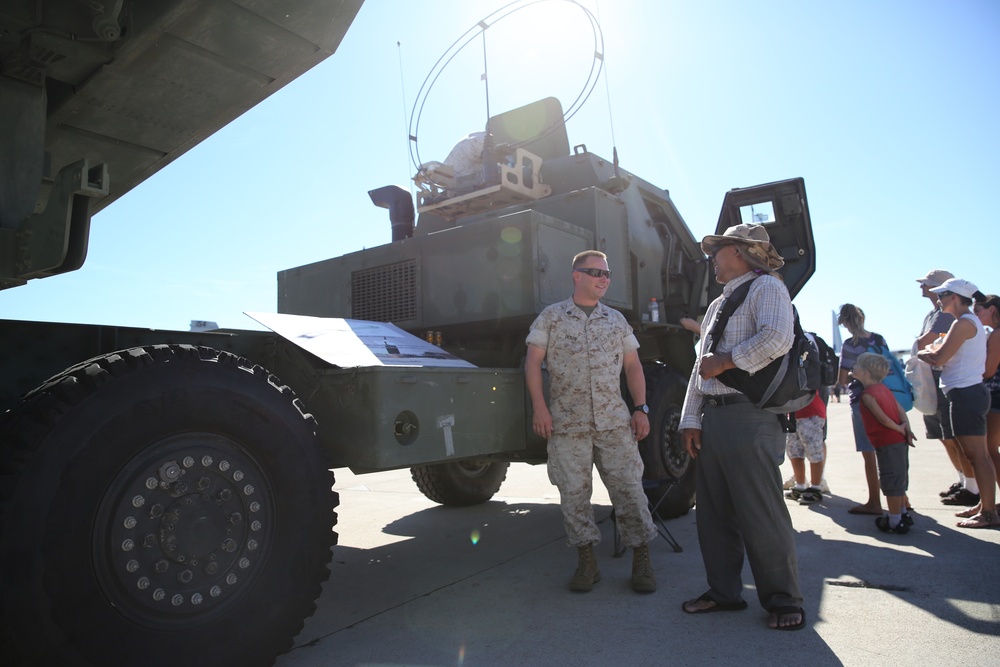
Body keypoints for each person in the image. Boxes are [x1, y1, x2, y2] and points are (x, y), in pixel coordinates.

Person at [679, 223, 805, 631]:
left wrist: (728, 360)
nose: (713, 257)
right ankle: (724, 593)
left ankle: (784, 600)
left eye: (720, 249)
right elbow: (701, 369)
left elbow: (777, 338)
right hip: (716, 418)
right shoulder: (719, 303)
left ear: (742, 252)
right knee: (713, 515)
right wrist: (690, 419)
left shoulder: (768, 287)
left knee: (760, 513)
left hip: (750, 416)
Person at [525, 250, 658, 593]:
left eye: (607, 274)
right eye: (595, 272)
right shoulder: (551, 318)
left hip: (614, 423)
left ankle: (641, 558)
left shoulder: (616, 320)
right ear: (576, 275)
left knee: (629, 491)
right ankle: (587, 562)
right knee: (573, 496)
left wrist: (640, 408)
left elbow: (633, 367)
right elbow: (532, 363)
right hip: (567, 425)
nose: (603, 279)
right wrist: (540, 408)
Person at [918, 278, 998, 528]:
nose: (939, 300)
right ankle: (984, 505)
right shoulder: (968, 322)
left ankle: (988, 513)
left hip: (966, 394)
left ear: (955, 297)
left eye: (942, 296)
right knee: (978, 454)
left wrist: (921, 352)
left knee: (977, 455)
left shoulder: (963, 323)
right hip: (967, 393)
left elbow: (938, 357)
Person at [913, 269, 976, 504]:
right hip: (934, 381)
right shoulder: (933, 314)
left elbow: (925, 343)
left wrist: (921, 350)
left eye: (927, 284)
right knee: (944, 435)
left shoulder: (946, 316)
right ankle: (964, 481)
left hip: (945, 382)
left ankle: (971, 486)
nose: (922, 287)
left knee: (953, 436)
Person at [852, 352, 916, 534]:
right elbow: (900, 411)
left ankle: (895, 520)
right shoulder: (885, 389)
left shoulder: (867, 395)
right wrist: (906, 429)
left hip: (888, 442)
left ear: (865, 372)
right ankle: (902, 513)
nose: (853, 367)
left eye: (857, 365)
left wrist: (898, 429)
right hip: (899, 441)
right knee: (900, 476)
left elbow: (883, 419)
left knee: (890, 479)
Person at [837, 304, 888, 515]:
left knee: (869, 454)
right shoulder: (878, 339)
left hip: (862, 400)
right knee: (889, 449)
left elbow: (841, 379)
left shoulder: (850, 345)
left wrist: (855, 374)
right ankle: (901, 498)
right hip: (885, 397)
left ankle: (874, 502)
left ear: (846, 323)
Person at [954, 292, 1000, 521]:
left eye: (979, 309)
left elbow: (988, 371)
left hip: (996, 396)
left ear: (992, 309)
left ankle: (989, 508)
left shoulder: (997, 335)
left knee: (988, 452)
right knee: (988, 452)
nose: (975, 313)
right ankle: (987, 503)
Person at [784, 390, 827, 504]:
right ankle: (800, 485)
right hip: (794, 413)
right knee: (793, 451)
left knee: (814, 451)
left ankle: (816, 487)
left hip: (810, 412)